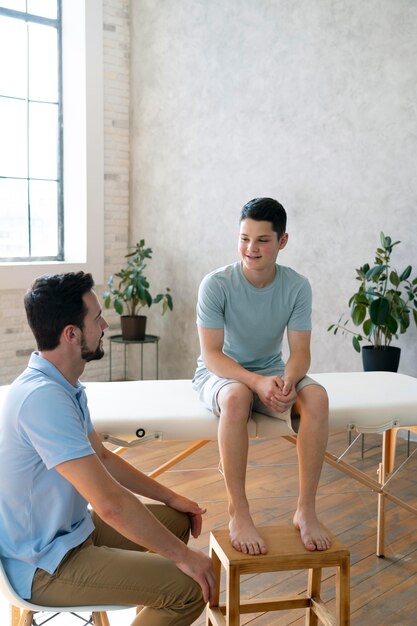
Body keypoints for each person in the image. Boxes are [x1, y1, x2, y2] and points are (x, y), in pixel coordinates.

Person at [0, 272, 215, 626]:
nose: (104, 324)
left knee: (175, 522)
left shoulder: (64, 386)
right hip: (43, 565)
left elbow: (102, 457)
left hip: (72, 534)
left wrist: (172, 497)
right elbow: (110, 504)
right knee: (189, 588)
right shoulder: (42, 399)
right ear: (72, 334)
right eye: (96, 318)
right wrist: (184, 559)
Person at [192, 197, 331, 556]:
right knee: (237, 397)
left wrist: (285, 382)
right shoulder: (216, 284)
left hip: (271, 372)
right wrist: (255, 382)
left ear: (282, 241)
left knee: (316, 397)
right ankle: (239, 511)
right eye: (244, 238)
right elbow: (212, 355)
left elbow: (300, 353)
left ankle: (305, 509)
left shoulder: (297, 286)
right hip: (221, 374)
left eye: (262, 240)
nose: (250, 249)